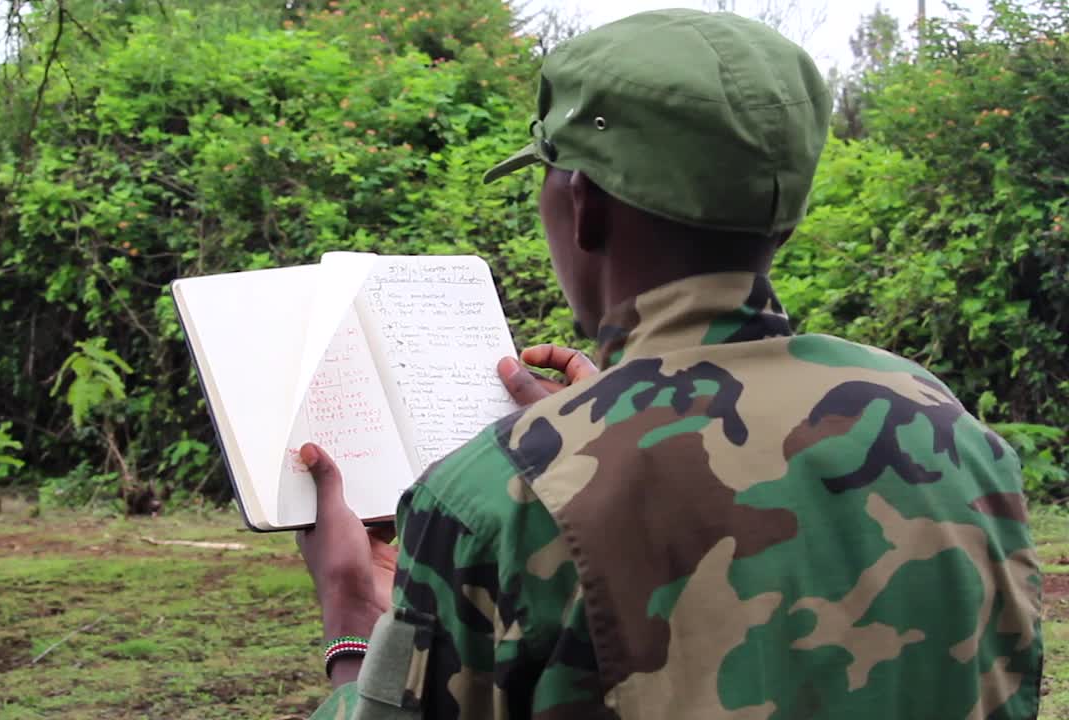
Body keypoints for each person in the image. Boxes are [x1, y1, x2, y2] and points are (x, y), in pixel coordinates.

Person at [296, 9, 1044, 719]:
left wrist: (354, 621)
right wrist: (607, 441)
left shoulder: (493, 504)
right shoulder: (953, 433)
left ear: (584, 204)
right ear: (783, 210)